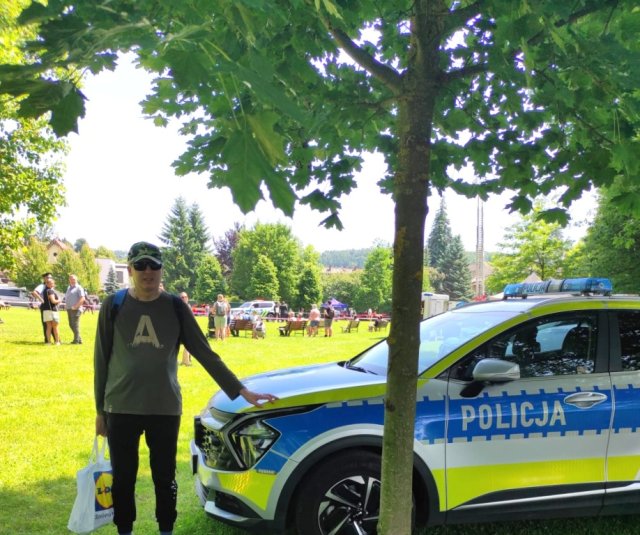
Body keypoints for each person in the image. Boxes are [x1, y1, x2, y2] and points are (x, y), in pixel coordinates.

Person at [94, 242, 277, 535]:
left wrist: (241, 390)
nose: (147, 271)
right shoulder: (113, 305)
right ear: (129, 270)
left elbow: (204, 352)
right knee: (123, 478)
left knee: (165, 477)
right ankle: (124, 530)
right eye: (140, 265)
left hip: (164, 409)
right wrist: (100, 411)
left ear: (161, 269)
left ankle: (166, 529)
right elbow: (101, 359)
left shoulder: (175, 307)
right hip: (121, 408)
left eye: (154, 265)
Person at [65, 274, 86, 344]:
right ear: (69, 280)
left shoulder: (79, 288)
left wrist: (76, 306)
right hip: (69, 309)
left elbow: (82, 298)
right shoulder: (69, 288)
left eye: (73, 279)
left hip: (76, 309)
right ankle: (79, 339)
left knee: (75, 325)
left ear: (76, 280)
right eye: (71, 279)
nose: (72, 280)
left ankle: (76, 340)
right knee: (71, 324)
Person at [31, 272, 52, 343]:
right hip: (45, 307)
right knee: (46, 324)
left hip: (51, 307)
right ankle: (47, 340)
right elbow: (34, 292)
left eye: (50, 277)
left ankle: (56, 340)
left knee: (53, 323)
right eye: (48, 277)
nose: (49, 279)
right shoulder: (42, 286)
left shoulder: (51, 286)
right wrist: (41, 299)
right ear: (44, 279)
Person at [41, 276, 61, 344]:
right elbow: (53, 301)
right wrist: (59, 300)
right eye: (52, 283)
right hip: (52, 311)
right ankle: (57, 341)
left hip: (46, 310)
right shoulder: (50, 291)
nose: (53, 284)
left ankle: (48, 342)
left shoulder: (45, 290)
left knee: (48, 327)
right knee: (55, 327)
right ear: (48, 283)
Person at [179, 292, 192, 366]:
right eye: (182, 297)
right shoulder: (181, 306)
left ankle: (184, 361)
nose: (184, 298)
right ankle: (186, 362)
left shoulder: (188, 306)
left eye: (185, 297)